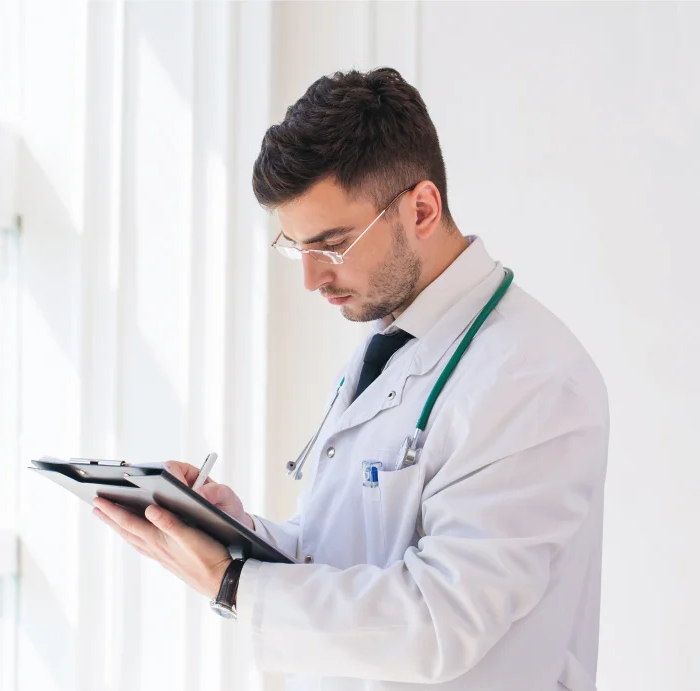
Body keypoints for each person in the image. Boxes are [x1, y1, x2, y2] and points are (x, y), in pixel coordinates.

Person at [93, 67, 608, 691]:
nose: (312, 279)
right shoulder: (391, 336)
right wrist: (241, 536)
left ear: (421, 208)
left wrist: (233, 584)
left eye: (332, 245)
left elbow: (440, 624)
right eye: (296, 247)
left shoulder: (531, 377)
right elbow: (351, 550)